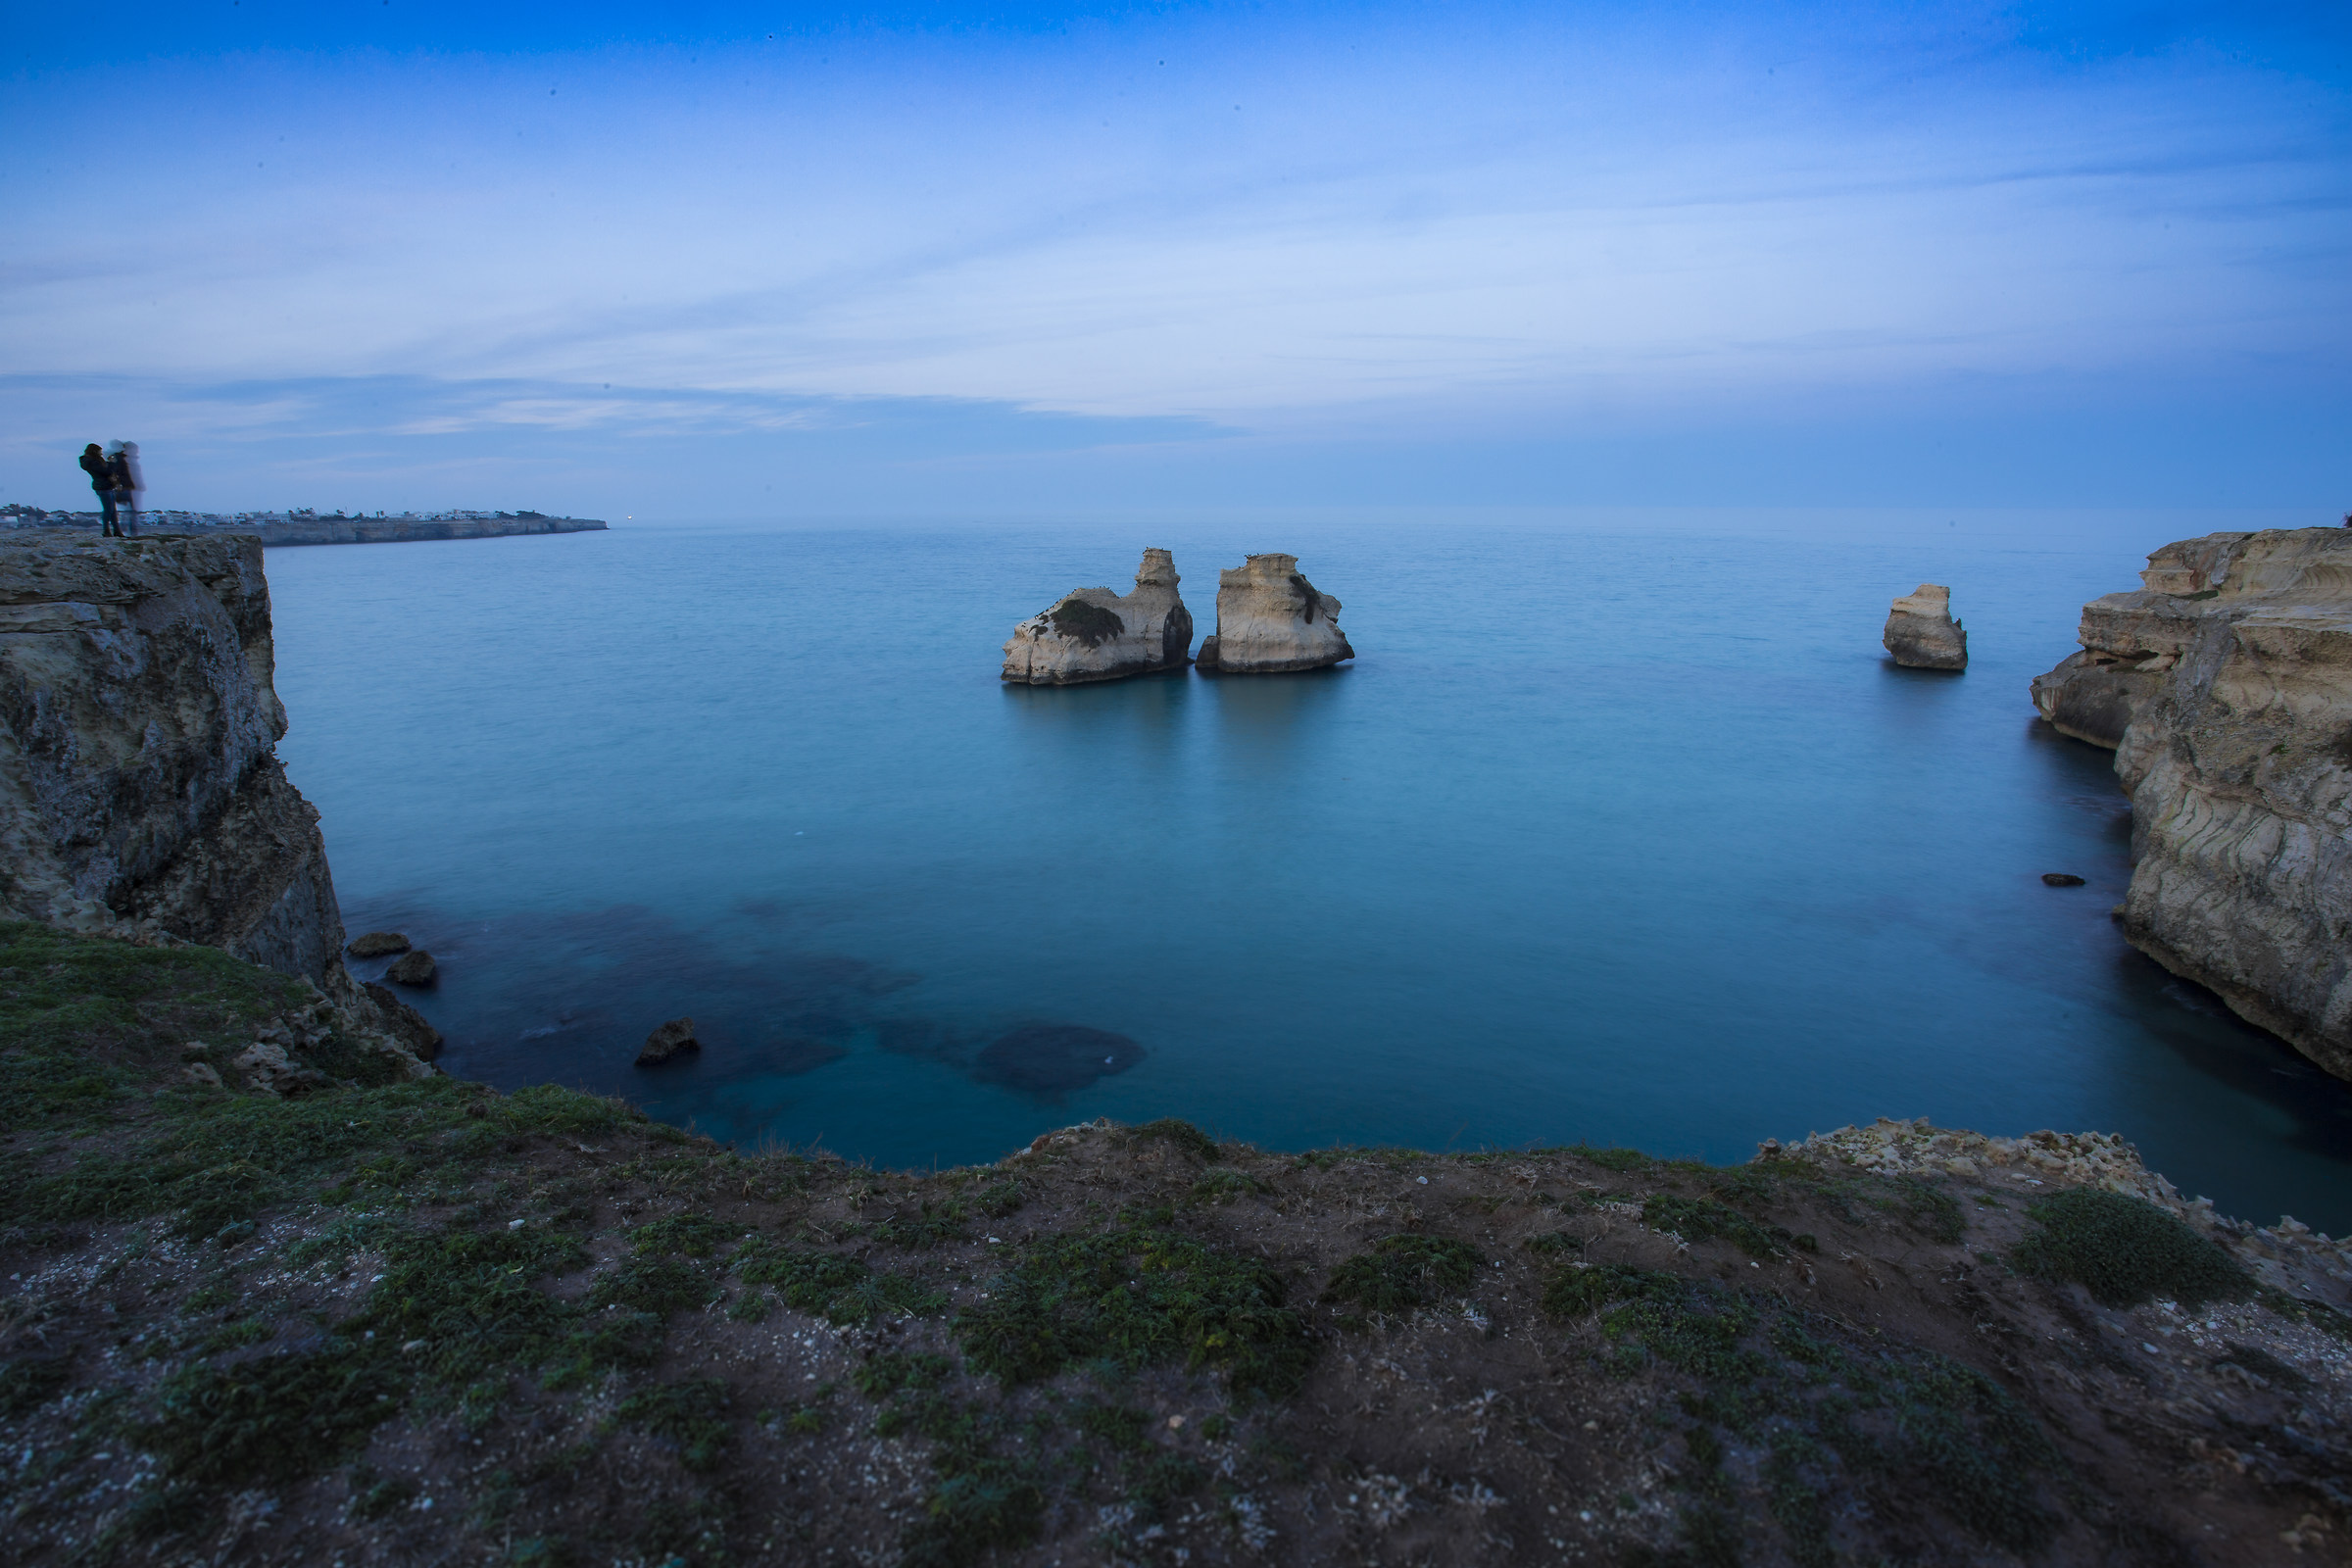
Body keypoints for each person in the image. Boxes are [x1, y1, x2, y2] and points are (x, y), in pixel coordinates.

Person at [78, 444, 120, 535]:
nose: (101, 454)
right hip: (103, 487)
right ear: (94, 451)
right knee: (108, 510)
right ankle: (107, 531)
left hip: (105, 486)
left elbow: (104, 470)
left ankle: (116, 531)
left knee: (112, 511)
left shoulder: (92, 462)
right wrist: (112, 463)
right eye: (99, 451)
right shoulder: (93, 462)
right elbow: (106, 472)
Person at [108, 442, 143, 536]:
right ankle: (129, 532)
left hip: (127, 487)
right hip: (124, 487)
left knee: (128, 511)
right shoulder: (121, 459)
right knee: (130, 511)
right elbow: (117, 473)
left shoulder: (123, 458)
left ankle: (127, 531)